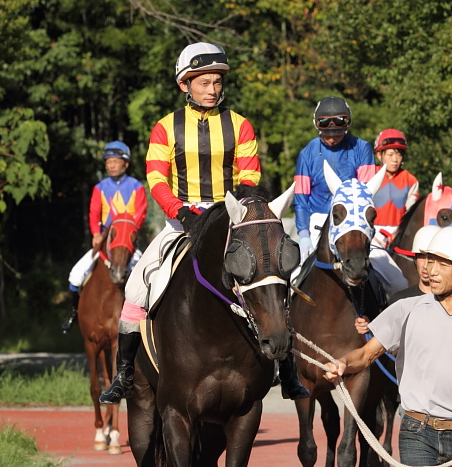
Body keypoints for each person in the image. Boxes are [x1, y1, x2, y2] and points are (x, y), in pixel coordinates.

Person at [99, 42, 308, 405]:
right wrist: (181, 213)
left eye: (217, 82)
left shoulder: (240, 125)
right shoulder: (165, 128)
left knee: (272, 279)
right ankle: (124, 375)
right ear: (185, 84)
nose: (213, 90)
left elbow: (249, 175)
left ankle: (286, 370)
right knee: (135, 290)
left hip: (231, 219)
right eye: (204, 83)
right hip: (181, 223)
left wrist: (226, 212)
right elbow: (158, 180)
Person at [324, 226, 452, 467]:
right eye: (430, 263)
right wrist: (343, 363)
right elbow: (367, 354)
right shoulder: (406, 309)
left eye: (442, 265)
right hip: (417, 433)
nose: (431, 271)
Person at [62, 141, 147, 334]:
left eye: (115, 161)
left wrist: (127, 235)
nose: (111, 165)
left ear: (125, 163)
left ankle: (149, 319)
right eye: (108, 162)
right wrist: (96, 234)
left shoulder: (137, 187)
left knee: (146, 279)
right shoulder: (99, 188)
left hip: (129, 246)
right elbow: (93, 214)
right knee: (75, 276)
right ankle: (73, 315)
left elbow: (140, 216)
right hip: (105, 245)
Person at [293, 96, 375, 259]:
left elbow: (366, 194)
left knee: (395, 279)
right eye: (326, 134)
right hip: (317, 224)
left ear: (346, 128)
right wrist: (303, 234)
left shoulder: (362, 148)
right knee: (294, 279)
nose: (331, 139)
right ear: (318, 128)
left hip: (354, 224)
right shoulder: (307, 153)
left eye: (337, 134)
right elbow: (300, 199)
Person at [355, 224, 440, 335]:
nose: (425, 265)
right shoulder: (399, 300)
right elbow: (384, 339)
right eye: (421, 256)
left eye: (431, 258)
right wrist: (369, 327)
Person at [370, 128, 420, 249]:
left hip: (398, 236)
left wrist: (397, 234)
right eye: (390, 154)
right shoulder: (369, 176)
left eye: (399, 154)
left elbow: (410, 214)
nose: (395, 159)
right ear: (379, 155)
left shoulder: (411, 180)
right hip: (371, 234)